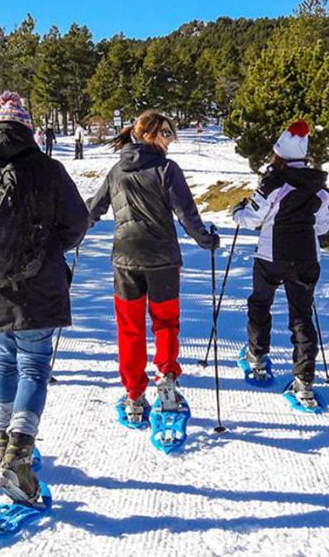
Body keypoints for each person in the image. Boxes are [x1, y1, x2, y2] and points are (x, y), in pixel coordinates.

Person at [0, 90, 88, 507]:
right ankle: (18, 459)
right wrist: (46, 250)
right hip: (37, 286)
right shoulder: (46, 168)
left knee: (4, 361)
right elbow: (77, 224)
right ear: (27, 128)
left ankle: (2, 444)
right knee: (35, 365)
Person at [85, 110, 219, 425]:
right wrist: (205, 240)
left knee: (130, 328)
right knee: (166, 323)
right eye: (166, 134)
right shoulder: (166, 169)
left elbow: (94, 208)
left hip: (125, 260)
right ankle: (167, 378)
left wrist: (72, 233)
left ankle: (134, 394)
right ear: (149, 135)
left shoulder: (117, 170)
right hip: (163, 260)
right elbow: (186, 213)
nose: (170, 141)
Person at [231, 120, 329, 410]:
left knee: (260, 303)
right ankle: (304, 382)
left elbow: (253, 218)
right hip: (306, 257)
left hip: (271, 256)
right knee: (301, 316)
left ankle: (257, 356)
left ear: (279, 154)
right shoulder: (320, 188)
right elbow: (324, 227)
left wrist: (238, 212)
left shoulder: (273, 182)